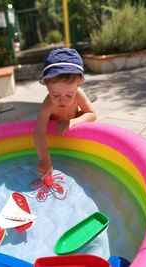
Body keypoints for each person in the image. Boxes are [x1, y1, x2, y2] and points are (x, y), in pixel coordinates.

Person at [34, 48, 97, 178]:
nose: (62, 99)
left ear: (79, 85)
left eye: (69, 94)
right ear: (46, 86)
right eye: (55, 94)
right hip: (56, 140)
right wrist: (44, 158)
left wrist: (71, 122)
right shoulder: (48, 104)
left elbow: (92, 114)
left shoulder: (79, 94)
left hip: (74, 133)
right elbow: (39, 131)